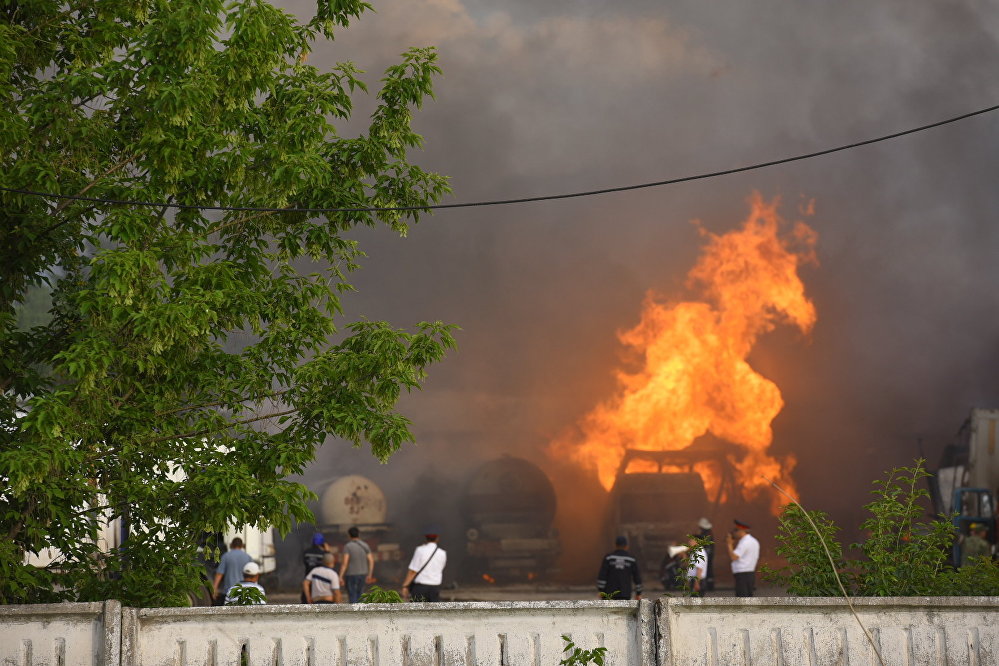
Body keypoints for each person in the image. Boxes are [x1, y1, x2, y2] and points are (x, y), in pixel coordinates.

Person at [401, 530, 447, 602]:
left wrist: (405, 585)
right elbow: (441, 568)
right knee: (434, 612)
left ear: (426, 538)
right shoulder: (442, 553)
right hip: (435, 588)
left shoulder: (420, 550)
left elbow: (413, 570)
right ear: (437, 538)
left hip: (420, 588)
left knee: (418, 612)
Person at [597, 535, 642, 600]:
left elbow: (602, 576)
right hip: (625, 594)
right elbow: (637, 578)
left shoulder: (609, 558)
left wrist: (601, 591)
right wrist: (638, 593)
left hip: (609, 594)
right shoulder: (631, 559)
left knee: (610, 610)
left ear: (616, 545)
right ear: (626, 546)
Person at [339, 526, 376, 603]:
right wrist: (369, 575)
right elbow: (371, 561)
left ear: (349, 535)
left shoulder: (348, 546)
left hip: (351, 574)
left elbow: (345, 563)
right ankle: (360, 613)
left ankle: (353, 614)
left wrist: (340, 576)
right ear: (359, 534)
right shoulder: (365, 545)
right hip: (363, 574)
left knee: (352, 596)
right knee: (360, 595)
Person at [213, 537, 253, 605]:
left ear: (231, 545)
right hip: (244, 592)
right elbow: (252, 575)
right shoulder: (248, 557)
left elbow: (219, 574)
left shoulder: (226, 556)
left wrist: (214, 589)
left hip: (229, 592)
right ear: (242, 545)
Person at [726, 519, 760, 597]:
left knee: (742, 599)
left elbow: (734, 557)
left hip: (743, 574)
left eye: (736, 530)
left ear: (742, 530)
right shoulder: (753, 541)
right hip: (749, 573)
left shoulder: (745, 542)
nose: (734, 533)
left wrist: (729, 544)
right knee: (748, 598)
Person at [301, 532, 330, 603]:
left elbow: (305, 562)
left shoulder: (306, 552)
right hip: (318, 581)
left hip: (308, 578)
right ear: (322, 543)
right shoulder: (323, 554)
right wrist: (327, 551)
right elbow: (329, 562)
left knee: (306, 600)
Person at [697, 517, 716, 592]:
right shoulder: (708, 533)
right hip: (709, 554)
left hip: (707, 555)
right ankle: (709, 585)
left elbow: (705, 545)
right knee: (709, 569)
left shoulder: (706, 534)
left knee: (707, 570)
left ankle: (708, 586)